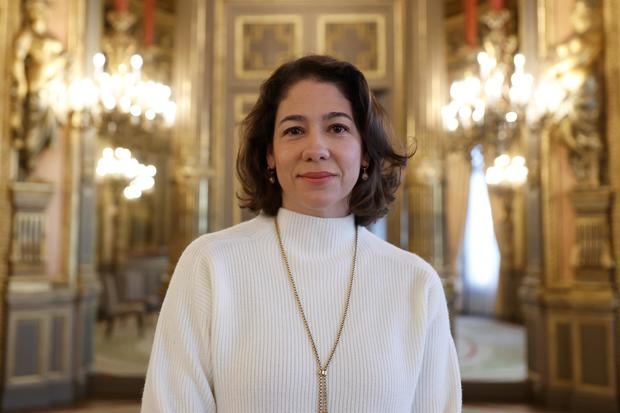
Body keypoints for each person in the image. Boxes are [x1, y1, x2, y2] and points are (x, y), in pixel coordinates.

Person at [141, 55, 462, 412]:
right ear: (269, 156)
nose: (316, 150)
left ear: (366, 153)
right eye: (294, 130)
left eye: (337, 128)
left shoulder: (416, 283)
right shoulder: (209, 266)